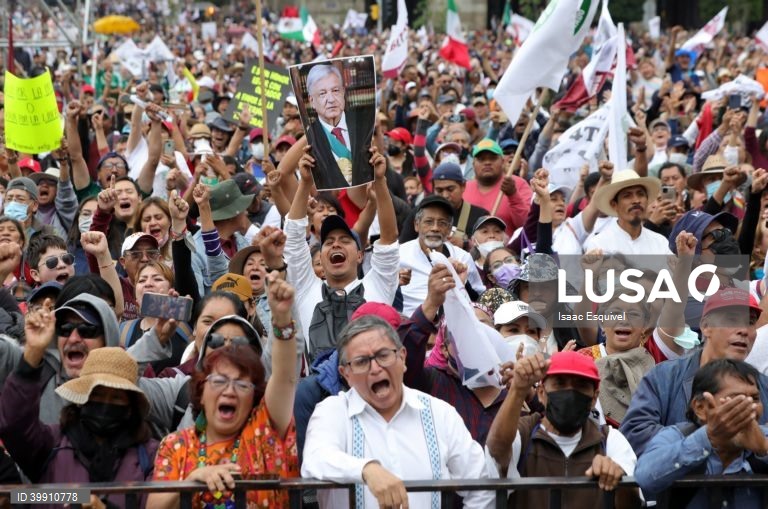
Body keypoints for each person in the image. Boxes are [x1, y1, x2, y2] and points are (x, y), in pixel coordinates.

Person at [301, 315, 495, 509]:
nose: (375, 368)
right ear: (346, 374)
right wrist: (366, 470)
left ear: (402, 357)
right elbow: (316, 459)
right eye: (361, 362)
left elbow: (481, 485)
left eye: (383, 355)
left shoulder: (440, 414)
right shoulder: (333, 411)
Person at [148, 274, 299, 508]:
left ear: (254, 396)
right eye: (219, 381)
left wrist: (281, 318)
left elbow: (285, 376)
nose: (230, 391)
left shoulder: (265, 429)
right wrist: (191, 482)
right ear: (201, 388)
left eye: (241, 384)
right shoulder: (176, 445)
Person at [272, 145, 399, 361]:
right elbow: (293, 237)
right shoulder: (304, 288)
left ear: (360, 255)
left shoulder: (378, 284)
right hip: (318, 393)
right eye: (328, 242)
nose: (335, 245)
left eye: (345, 240)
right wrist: (305, 183)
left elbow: (389, 238)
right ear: (319, 257)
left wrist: (380, 181)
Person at [0, 340, 157, 509]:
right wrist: (32, 355)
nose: (105, 404)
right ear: (82, 399)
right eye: (97, 394)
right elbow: (14, 425)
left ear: (130, 407)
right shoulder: (51, 443)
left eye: (117, 398)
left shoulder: (150, 456)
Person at [620, 288, 768, 456]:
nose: (744, 330)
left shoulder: (764, 385)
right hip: (678, 481)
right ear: (705, 327)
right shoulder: (664, 377)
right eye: (732, 320)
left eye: (750, 322)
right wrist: (710, 436)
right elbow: (635, 435)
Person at [485, 351, 639, 508]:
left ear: (594, 398)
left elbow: (632, 503)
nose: (570, 392)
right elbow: (497, 449)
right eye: (559, 383)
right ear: (541, 393)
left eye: (581, 385)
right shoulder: (524, 433)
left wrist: (617, 478)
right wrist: (518, 390)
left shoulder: (610, 440)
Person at [635, 359, 768, 508]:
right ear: (700, 407)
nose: (749, 408)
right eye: (737, 399)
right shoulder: (676, 437)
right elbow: (645, 475)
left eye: (755, 399)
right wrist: (709, 438)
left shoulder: (764, 439)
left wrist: (763, 449)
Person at [399, 195, 486, 315]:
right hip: (411, 324)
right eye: (429, 222)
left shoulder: (462, 258)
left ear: (450, 228)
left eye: (442, 223)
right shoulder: (399, 254)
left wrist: (461, 281)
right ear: (416, 225)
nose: (435, 228)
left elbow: (479, 299)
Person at [304, 64, 372, 189]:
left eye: (335, 91)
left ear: (343, 92)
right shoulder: (308, 138)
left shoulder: (366, 124)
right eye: (322, 94)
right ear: (311, 100)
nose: (331, 99)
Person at [584, 169, 672, 256]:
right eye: (627, 196)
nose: (636, 200)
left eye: (640, 194)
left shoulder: (660, 242)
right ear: (614, 205)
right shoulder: (599, 245)